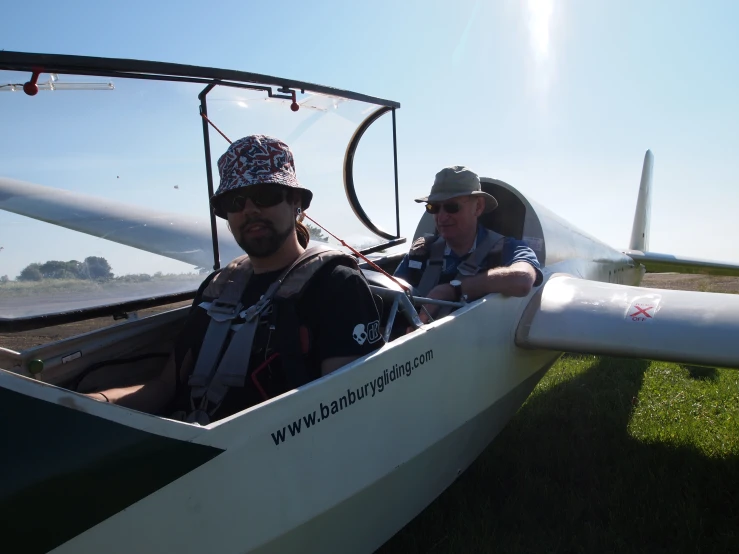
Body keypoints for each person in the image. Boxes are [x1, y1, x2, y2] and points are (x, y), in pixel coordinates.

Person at [86, 135, 384, 424]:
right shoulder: (218, 287)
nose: (250, 209)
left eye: (265, 195)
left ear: (296, 203)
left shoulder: (337, 284)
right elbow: (165, 387)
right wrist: (97, 403)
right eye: (235, 200)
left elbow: (344, 409)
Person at [393, 165, 543, 323]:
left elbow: (523, 279)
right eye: (434, 207)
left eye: (452, 207)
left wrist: (451, 290)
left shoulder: (506, 248)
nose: (442, 217)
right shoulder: (421, 253)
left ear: (478, 207)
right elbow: (390, 299)